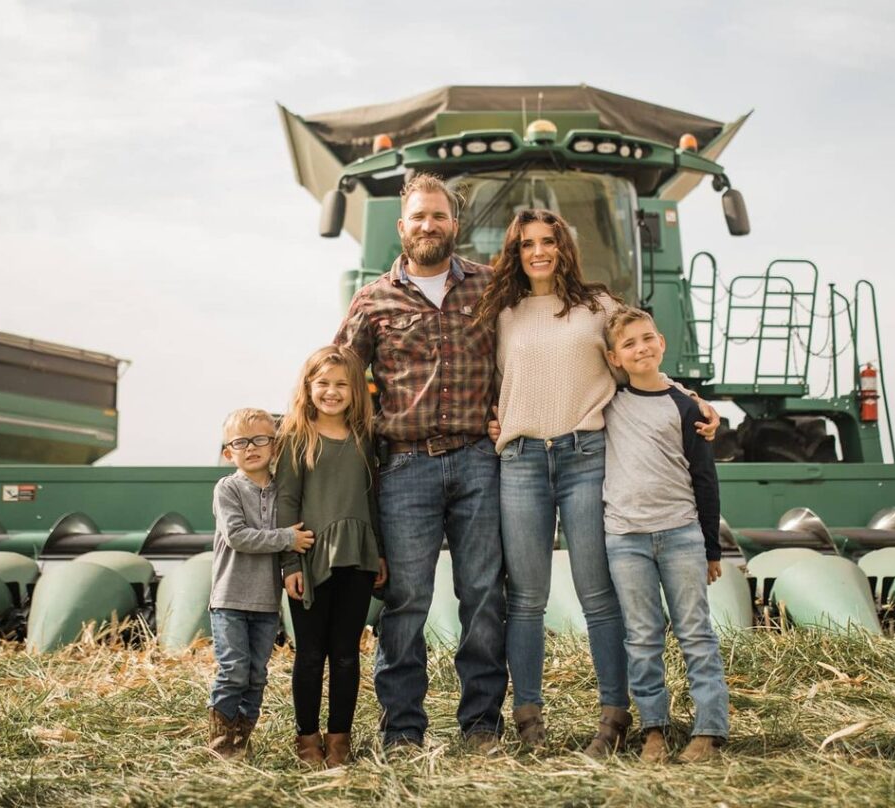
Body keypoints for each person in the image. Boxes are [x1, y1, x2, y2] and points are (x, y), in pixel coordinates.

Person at [475, 208, 718, 756]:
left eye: (549, 241)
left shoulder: (597, 306)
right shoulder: (503, 313)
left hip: (586, 456)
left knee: (598, 596)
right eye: (527, 244)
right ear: (515, 253)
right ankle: (529, 720)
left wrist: (692, 400)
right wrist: (497, 421)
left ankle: (614, 718)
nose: (539, 251)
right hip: (520, 461)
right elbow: (493, 382)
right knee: (527, 599)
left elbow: (640, 364)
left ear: (564, 247)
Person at [335, 172, 506, 751]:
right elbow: (336, 378)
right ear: (401, 226)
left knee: (483, 594)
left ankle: (482, 724)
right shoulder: (373, 300)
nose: (428, 225)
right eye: (418, 217)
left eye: (439, 216)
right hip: (404, 466)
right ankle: (403, 729)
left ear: (454, 224)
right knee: (406, 600)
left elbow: (542, 343)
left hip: (479, 461)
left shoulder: (490, 287)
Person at [603, 306, 730, 763]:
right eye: (629, 344)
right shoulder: (608, 403)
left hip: (680, 534)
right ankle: (654, 730)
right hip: (626, 538)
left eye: (647, 339)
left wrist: (712, 547)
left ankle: (710, 731)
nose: (640, 348)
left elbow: (705, 479)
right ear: (614, 358)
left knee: (696, 633)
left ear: (662, 343)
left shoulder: (686, 407)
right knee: (641, 636)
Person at [275, 346, 388, 768]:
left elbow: (372, 499)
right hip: (311, 558)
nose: (332, 392)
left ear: (356, 390)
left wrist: (377, 551)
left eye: (341, 384)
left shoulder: (364, 438)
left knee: (345, 653)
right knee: (309, 653)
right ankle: (307, 738)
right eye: (323, 383)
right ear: (309, 387)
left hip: (357, 557)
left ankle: (339, 739)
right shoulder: (295, 438)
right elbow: (287, 501)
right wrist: (289, 562)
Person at [208, 407, 314, 761]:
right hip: (230, 599)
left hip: (266, 603)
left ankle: (242, 741)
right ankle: (221, 744)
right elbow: (237, 536)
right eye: (241, 442)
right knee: (233, 671)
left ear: (275, 445)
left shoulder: (283, 490)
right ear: (229, 452)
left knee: (256, 675)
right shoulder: (228, 488)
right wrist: (286, 538)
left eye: (260, 440)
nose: (251, 448)